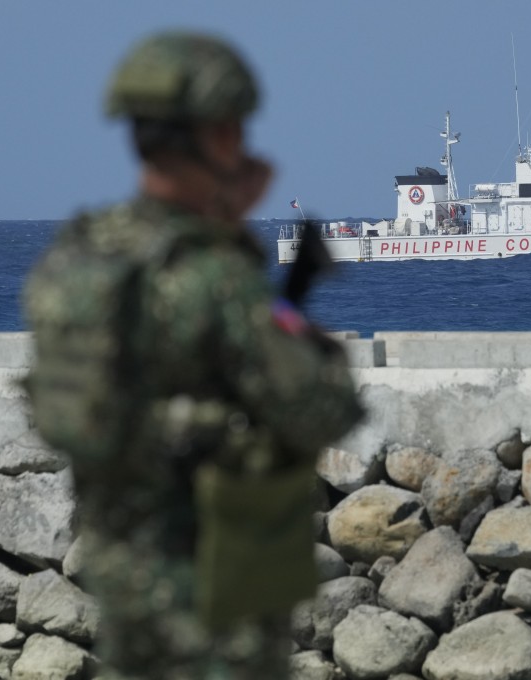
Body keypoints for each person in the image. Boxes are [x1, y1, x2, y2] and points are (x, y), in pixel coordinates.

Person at [23, 31, 362, 678]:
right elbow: (324, 408)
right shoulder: (212, 275)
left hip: (122, 575)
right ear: (217, 135)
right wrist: (242, 246)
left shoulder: (72, 260)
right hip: (215, 585)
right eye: (233, 126)